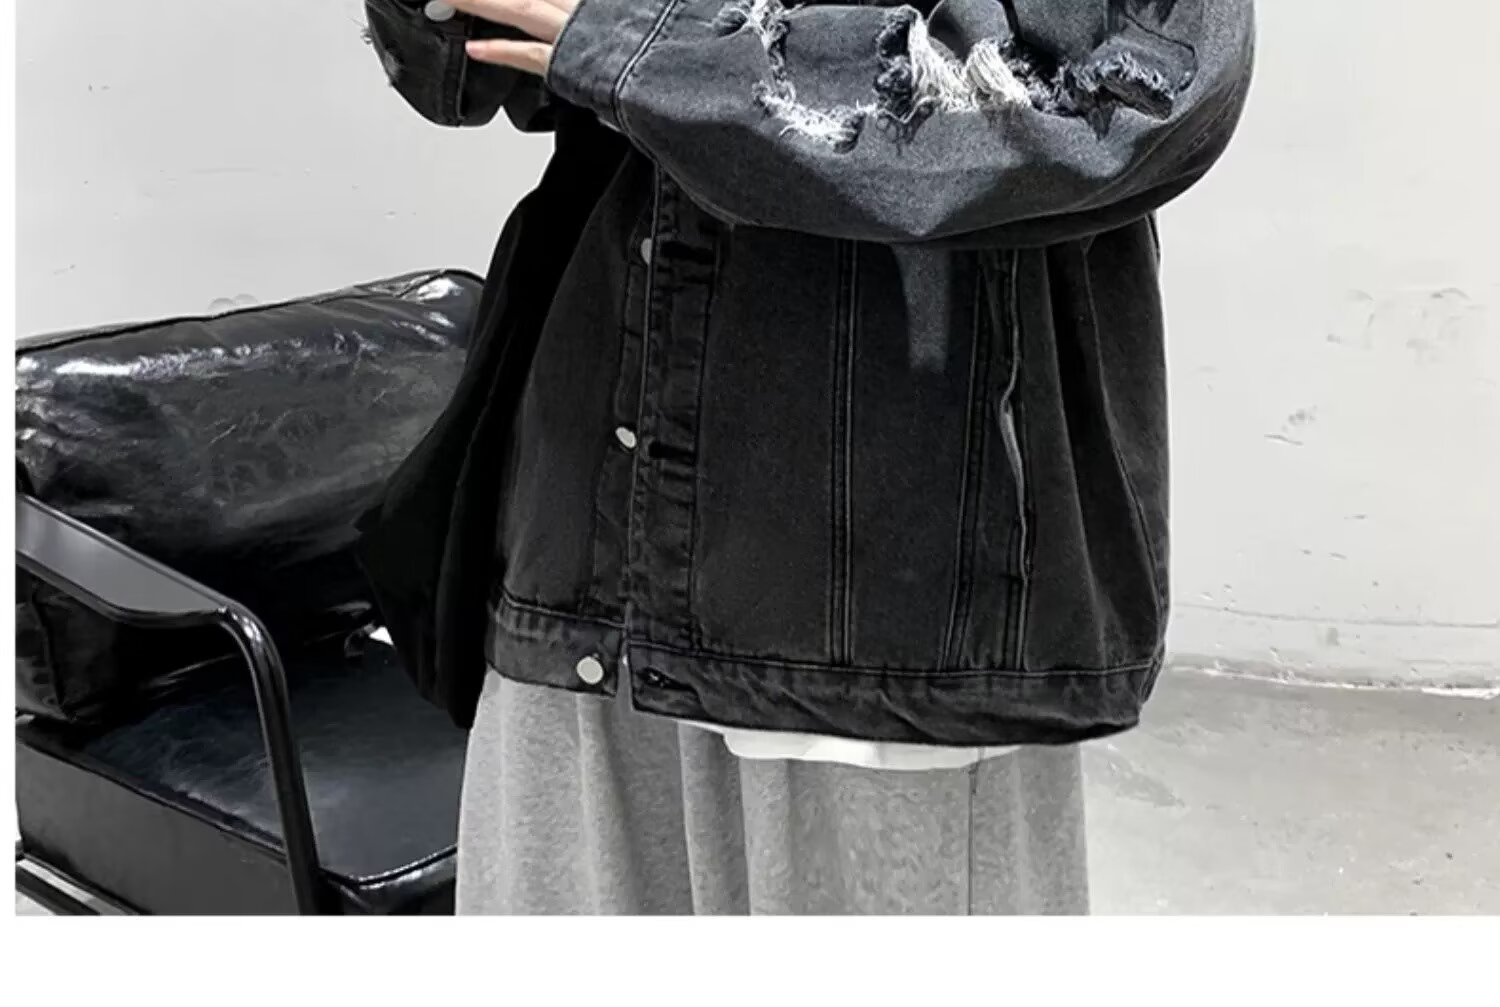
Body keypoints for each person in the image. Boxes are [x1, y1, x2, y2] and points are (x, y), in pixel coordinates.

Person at [358, 0, 1256, 914]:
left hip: (887, 585)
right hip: (592, 533)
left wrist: (649, 52)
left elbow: (1130, 103)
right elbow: (477, 60)